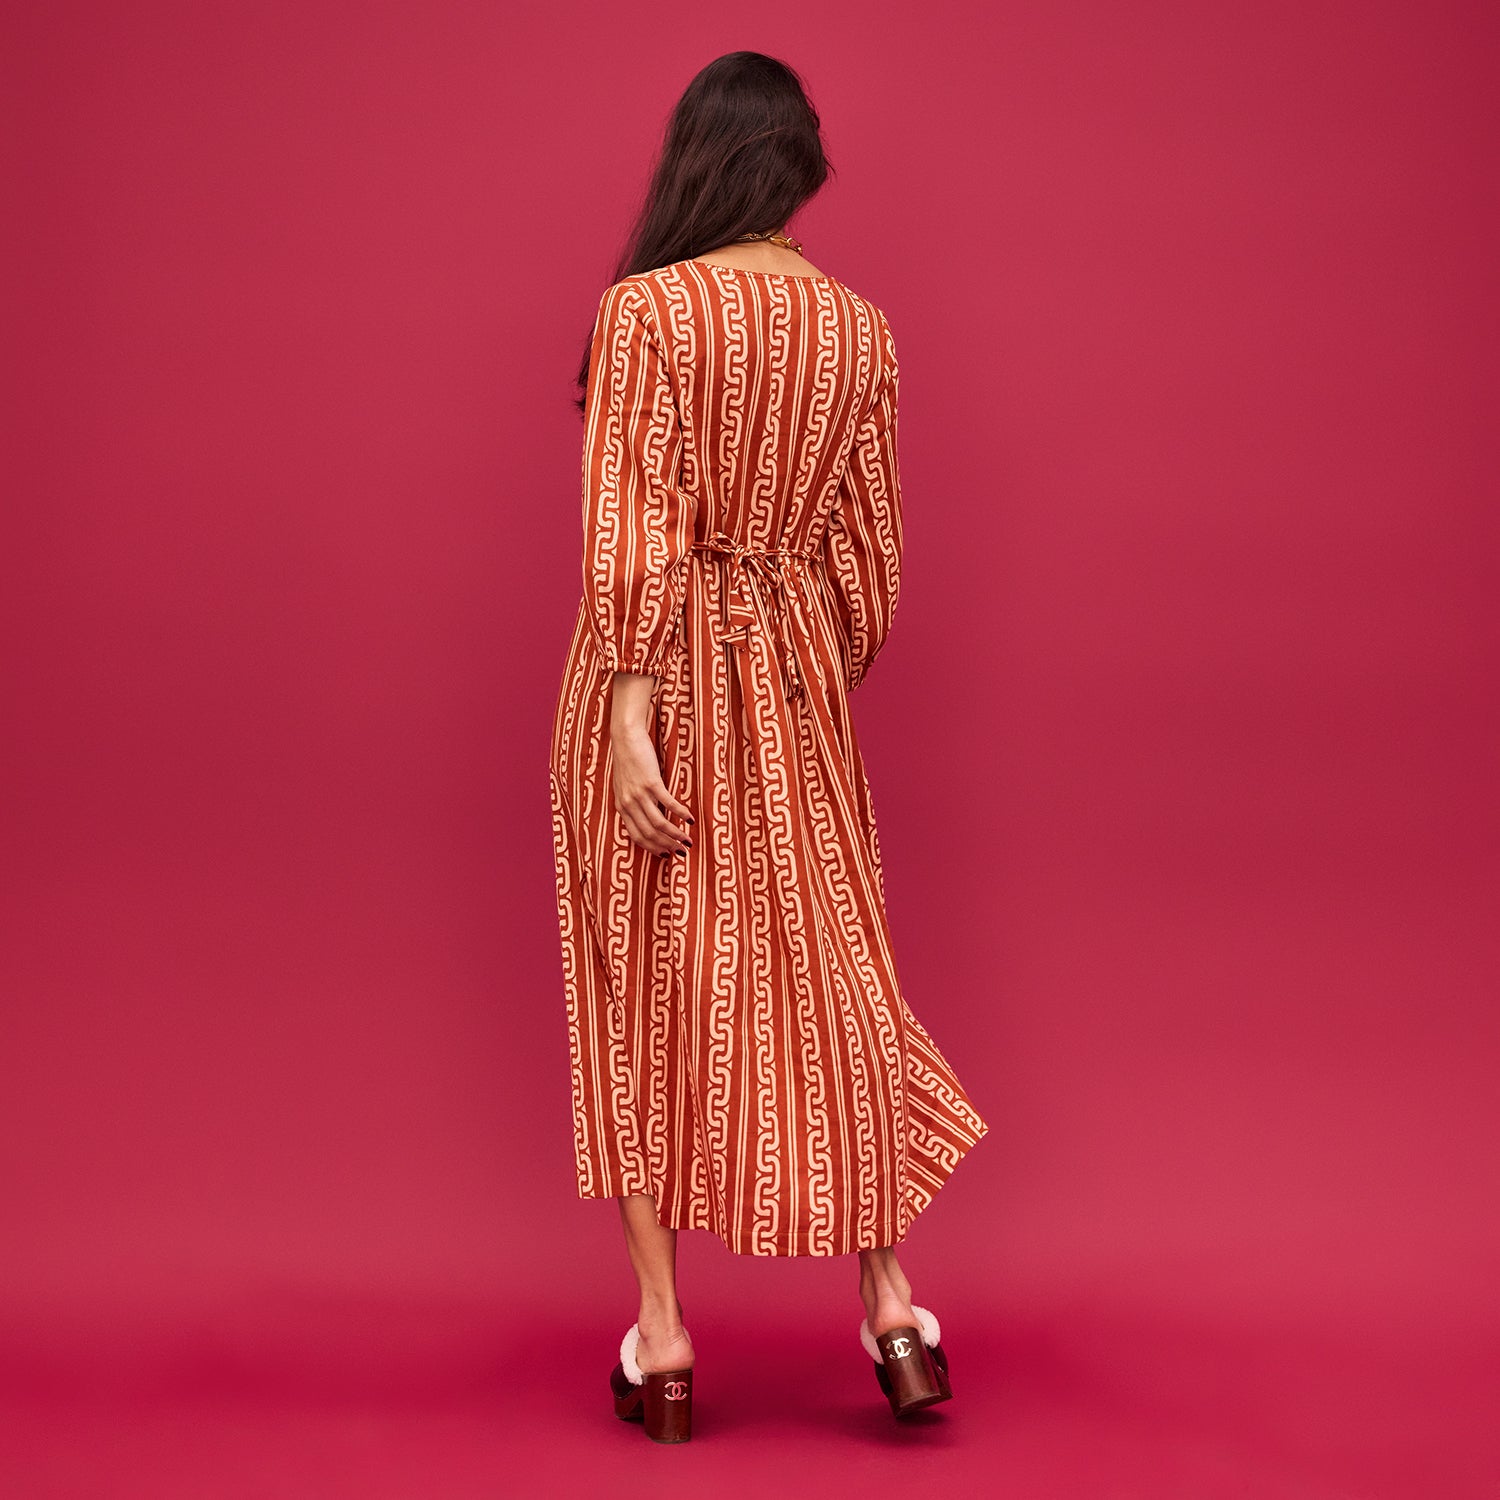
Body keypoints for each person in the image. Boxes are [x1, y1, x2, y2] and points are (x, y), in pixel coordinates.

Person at [548, 51, 989, 1442]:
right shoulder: (860, 333)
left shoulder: (646, 310)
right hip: (791, 683)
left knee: (640, 987)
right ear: (797, 171)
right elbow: (872, 560)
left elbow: (632, 515)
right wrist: (801, 677)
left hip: (655, 681)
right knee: (828, 971)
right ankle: (893, 1307)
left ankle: (665, 1337)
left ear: (694, 161)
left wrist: (635, 712)